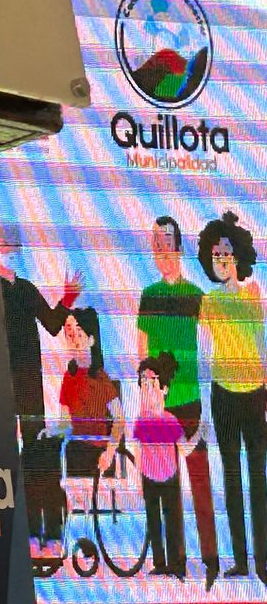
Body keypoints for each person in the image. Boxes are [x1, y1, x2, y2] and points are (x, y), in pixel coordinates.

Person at [136, 214, 220, 586]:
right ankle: (175, 564)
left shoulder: (195, 295)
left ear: (179, 247)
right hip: (159, 408)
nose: (161, 248)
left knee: (200, 483)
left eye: (166, 240)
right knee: (166, 489)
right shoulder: (149, 295)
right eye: (155, 242)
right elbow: (141, 353)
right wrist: (146, 402)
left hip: (191, 403)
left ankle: (212, 562)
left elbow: (213, 345)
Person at [0, 226, 78, 560]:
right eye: (6, 244)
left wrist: (67, 299)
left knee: (35, 455)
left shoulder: (27, 289)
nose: (11, 250)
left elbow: (53, 324)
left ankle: (38, 532)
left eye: (14, 244)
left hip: (29, 382)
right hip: (0, 382)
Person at [198, 210, 267, 584]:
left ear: (238, 255)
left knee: (258, 480)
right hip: (223, 396)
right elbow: (205, 356)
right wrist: (205, 413)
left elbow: (262, 344)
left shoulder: (254, 296)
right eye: (215, 255)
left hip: (255, 395)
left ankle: (263, 562)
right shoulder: (209, 301)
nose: (221, 260)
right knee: (231, 479)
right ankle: (241, 560)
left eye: (226, 253)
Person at [133, 351, 201, 578]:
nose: (147, 389)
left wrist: (200, 433)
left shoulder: (170, 420)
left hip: (169, 476)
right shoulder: (141, 419)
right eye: (143, 384)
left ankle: (177, 564)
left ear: (164, 389)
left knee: (172, 521)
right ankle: (160, 563)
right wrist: (138, 479)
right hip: (148, 477)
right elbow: (138, 449)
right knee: (154, 521)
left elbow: (184, 448)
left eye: (152, 383)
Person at [57, 306, 125, 481]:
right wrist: (51, 431)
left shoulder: (101, 378)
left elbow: (119, 420)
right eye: (70, 335)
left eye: (79, 334)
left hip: (98, 450)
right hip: (75, 449)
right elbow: (64, 423)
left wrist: (109, 452)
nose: (74, 341)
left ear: (92, 339)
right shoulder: (68, 378)